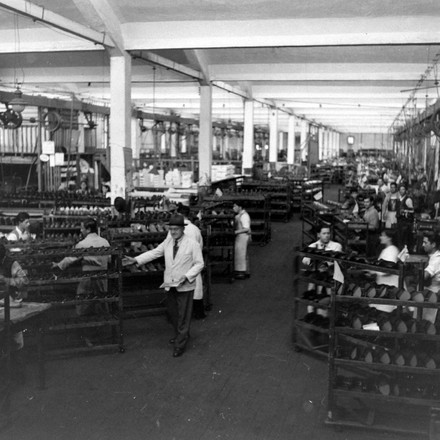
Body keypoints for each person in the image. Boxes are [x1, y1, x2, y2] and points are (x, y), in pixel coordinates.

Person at [123, 214, 204, 357]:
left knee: (183, 315)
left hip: (185, 285)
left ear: (182, 229)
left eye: (176, 229)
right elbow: (154, 253)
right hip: (170, 283)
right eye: (171, 229)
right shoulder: (168, 242)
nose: (173, 232)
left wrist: (187, 276)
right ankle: (181, 335)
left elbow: (199, 264)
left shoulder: (192, 244)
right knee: (174, 314)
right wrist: (136, 260)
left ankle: (180, 344)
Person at [52, 218, 110, 345]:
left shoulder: (82, 244)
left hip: (88, 279)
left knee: (83, 306)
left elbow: (70, 258)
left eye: (82, 228)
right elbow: (109, 259)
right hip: (103, 278)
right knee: (101, 305)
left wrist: (58, 265)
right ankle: (102, 336)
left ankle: (87, 338)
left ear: (88, 229)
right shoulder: (105, 242)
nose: (80, 230)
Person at [0, 243, 29, 381]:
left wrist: (7, 280)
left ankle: (18, 374)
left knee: (15, 338)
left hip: (9, 304)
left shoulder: (12, 263)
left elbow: (24, 281)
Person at [177, 205, 206, 319]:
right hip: (194, 261)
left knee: (182, 288)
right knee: (196, 288)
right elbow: (201, 244)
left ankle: (183, 315)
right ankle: (198, 313)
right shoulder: (195, 228)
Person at [419, 233, 440, 324]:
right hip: (425, 293)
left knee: (426, 324)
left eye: (425, 242)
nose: (423, 245)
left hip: (431, 295)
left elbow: (424, 276)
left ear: (433, 244)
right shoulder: (432, 256)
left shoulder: (437, 259)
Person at [233, 202, 251, 279]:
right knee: (243, 255)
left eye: (235, 206)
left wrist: (235, 232)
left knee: (241, 255)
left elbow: (246, 228)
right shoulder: (239, 215)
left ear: (240, 207)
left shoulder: (244, 216)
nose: (233, 208)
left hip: (243, 237)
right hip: (241, 237)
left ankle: (241, 273)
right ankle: (245, 271)